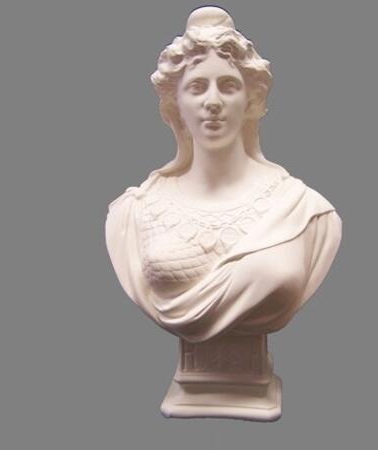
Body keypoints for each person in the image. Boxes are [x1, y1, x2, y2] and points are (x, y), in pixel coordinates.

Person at [106, 7, 342, 344]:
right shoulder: (133, 213)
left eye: (229, 86)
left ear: (251, 101)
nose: (213, 102)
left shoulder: (305, 211)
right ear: (175, 105)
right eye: (197, 87)